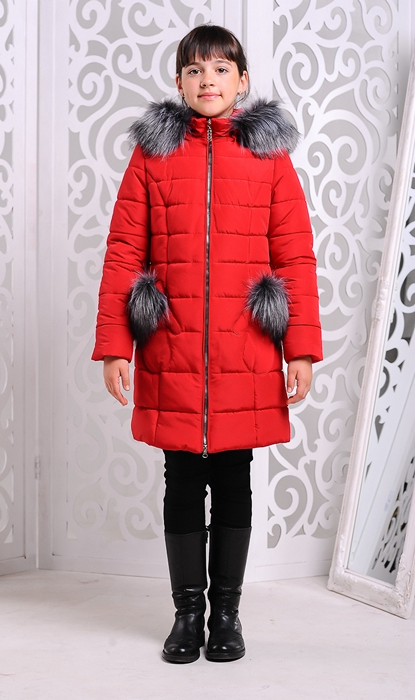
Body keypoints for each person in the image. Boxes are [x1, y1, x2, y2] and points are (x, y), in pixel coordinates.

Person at [92, 24, 322, 664]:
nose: (208, 80)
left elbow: (295, 257)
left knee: (235, 477)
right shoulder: (153, 157)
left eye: (221, 69)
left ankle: (227, 615)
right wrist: (115, 346)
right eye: (194, 70)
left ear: (242, 81)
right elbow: (123, 252)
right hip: (173, 348)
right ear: (178, 82)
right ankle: (187, 614)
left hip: (245, 351)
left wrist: (301, 349)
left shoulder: (269, 158)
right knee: (182, 480)